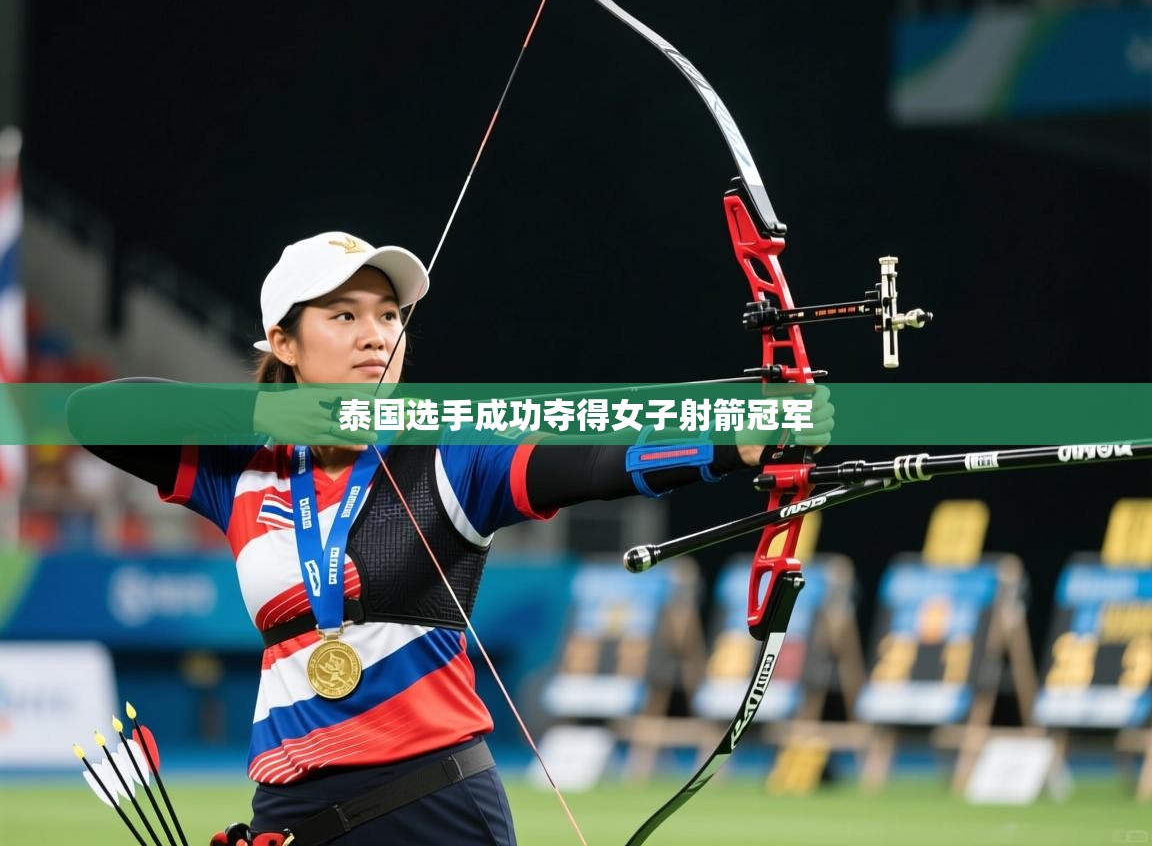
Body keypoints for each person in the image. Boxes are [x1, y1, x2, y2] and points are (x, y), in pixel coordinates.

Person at [68, 231, 832, 845]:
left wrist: (734, 442)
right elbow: (97, 416)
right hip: (291, 816)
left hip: (436, 808)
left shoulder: (450, 456)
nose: (377, 336)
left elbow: (593, 460)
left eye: (389, 316)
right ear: (285, 342)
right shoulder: (244, 473)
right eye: (344, 316)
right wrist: (279, 417)